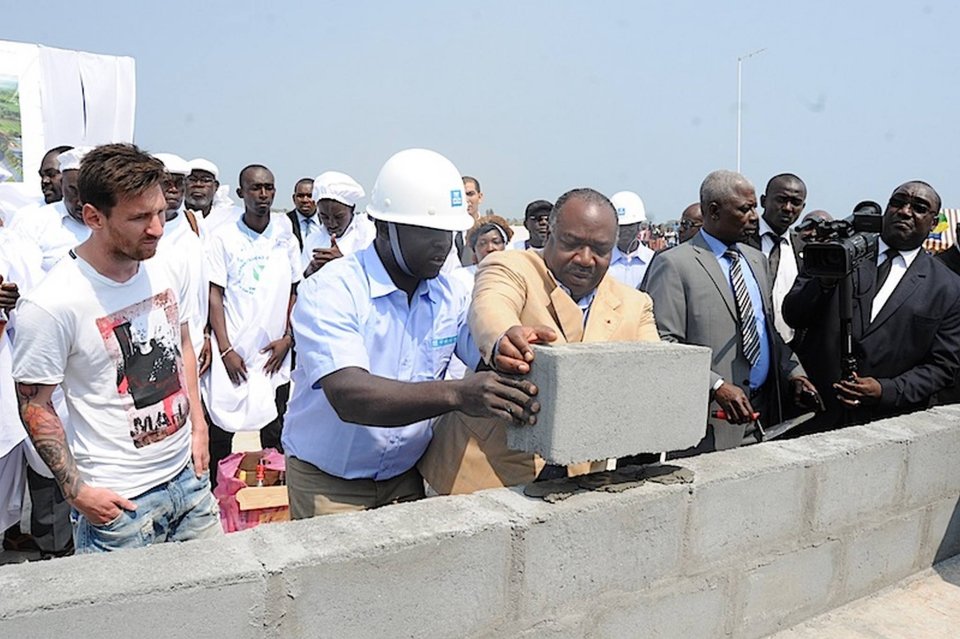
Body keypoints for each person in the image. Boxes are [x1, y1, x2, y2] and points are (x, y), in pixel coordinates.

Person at [281, 149, 538, 518]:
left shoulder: (449, 294)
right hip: (330, 487)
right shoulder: (332, 290)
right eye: (429, 233)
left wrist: (507, 345)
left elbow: (482, 348)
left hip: (405, 479)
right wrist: (457, 394)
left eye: (450, 233)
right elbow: (350, 395)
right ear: (384, 227)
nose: (443, 245)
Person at [12, 143, 218, 553]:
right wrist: (76, 491)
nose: (157, 228)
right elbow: (34, 403)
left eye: (160, 213)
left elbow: (182, 345)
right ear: (94, 217)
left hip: (190, 482)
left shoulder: (166, 265)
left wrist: (199, 428)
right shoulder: (52, 304)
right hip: (120, 506)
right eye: (139, 218)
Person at [419, 188, 660, 495]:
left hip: (577, 480)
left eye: (600, 250)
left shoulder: (635, 304)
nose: (585, 259)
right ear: (551, 235)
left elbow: (652, 373)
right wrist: (503, 338)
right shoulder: (510, 266)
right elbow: (491, 306)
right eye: (572, 244)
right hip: (482, 472)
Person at [642, 170, 821, 454]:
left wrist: (794, 373)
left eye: (754, 208)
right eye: (745, 209)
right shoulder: (675, 265)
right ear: (714, 211)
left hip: (760, 414)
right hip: (708, 422)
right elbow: (664, 344)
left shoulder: (756, 261)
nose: (755, 217)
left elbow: (765, 331)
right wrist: (717, 386)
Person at [783, 181, 960, 432]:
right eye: (898, 202)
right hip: (813, 413)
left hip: (885, 425)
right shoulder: (837, 253)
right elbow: (794, 315)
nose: (905, 211)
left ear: (933, 223)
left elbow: (942, 367)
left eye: (919, 208)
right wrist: (823, 282)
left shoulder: (948, 287)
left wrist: (885, 390)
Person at [203, 164, 300, 484]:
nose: (263, 194)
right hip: (234, 352)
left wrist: (288, 337)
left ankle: (274, 496)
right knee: (222, 432)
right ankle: (218, 495)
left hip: (274, 353)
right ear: (241, 192)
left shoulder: (285, 236)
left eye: (268, 188)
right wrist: (225, 348)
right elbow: (214, 294)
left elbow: (294, 289)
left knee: (275, 431)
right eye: (255, 188)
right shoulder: (223, 238)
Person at [153, 153, 208, 371]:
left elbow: (203, 289)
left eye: (179, 183)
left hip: (192, 343)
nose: (174, 189)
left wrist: (206, 334)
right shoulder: (140, 230)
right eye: (167, 183)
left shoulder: (194, 224)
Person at [744, 174, 807, 343]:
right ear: (763, 201)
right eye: (781, 200)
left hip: (791, 348)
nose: (788, 208)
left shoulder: (803, 251)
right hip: (747, 344)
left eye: (795, 202)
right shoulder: (741, 240)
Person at [13, 147, 92, 273]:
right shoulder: (32, 221)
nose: (81, 202)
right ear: (63, 183)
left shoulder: (114, 222)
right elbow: (20, 276)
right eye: (73, 191)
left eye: (89, 193)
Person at [301, 171, 373, 277]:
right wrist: (312, 270)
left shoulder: (368, 234)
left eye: (339, 217)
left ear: (352, 209)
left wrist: (343, 262)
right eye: (324, 217)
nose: (332, 224)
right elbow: (302, 281)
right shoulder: (313, 240)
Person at [606, 190, 656, 288]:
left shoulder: (652, 261)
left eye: (629, 226)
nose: (624, 231)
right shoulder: (603, 261)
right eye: (620, 226)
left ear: (639, 226)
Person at [455, 175, 484, 265]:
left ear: (480, 197)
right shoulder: (447, 233)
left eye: (470, 194)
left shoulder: (490, 230)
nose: (466, 199)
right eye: (461, 195)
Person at [287, 177, 317, 250]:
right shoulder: (284, 222)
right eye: (300, 196)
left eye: (310, 196)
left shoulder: (327, 222)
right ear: (294, 198)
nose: (305, 200)